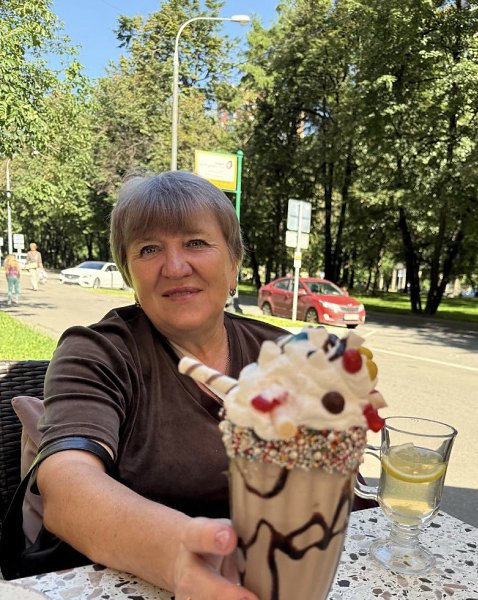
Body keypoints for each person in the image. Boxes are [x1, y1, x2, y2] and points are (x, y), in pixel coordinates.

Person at [35, 171, 372, 599]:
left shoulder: (287, 356)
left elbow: (337, 483)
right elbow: (66, 485)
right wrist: (176, 552)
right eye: (149, 249)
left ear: (233, 265)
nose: (175, 267)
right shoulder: (100, 351)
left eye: (195, 242)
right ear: (129, 273)